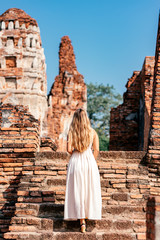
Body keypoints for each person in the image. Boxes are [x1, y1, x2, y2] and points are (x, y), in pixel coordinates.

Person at [64, 108, 102, 233]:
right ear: (86, 118)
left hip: (76, 161)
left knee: (77, 190)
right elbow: (96, 150)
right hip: (89, 161)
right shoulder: (93, 132)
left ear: (75, 119)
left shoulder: (71, 132)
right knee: (88, 189)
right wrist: (91, 160)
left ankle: (82, 222)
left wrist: (77, 152)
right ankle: (87, 214)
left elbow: (69, 150)